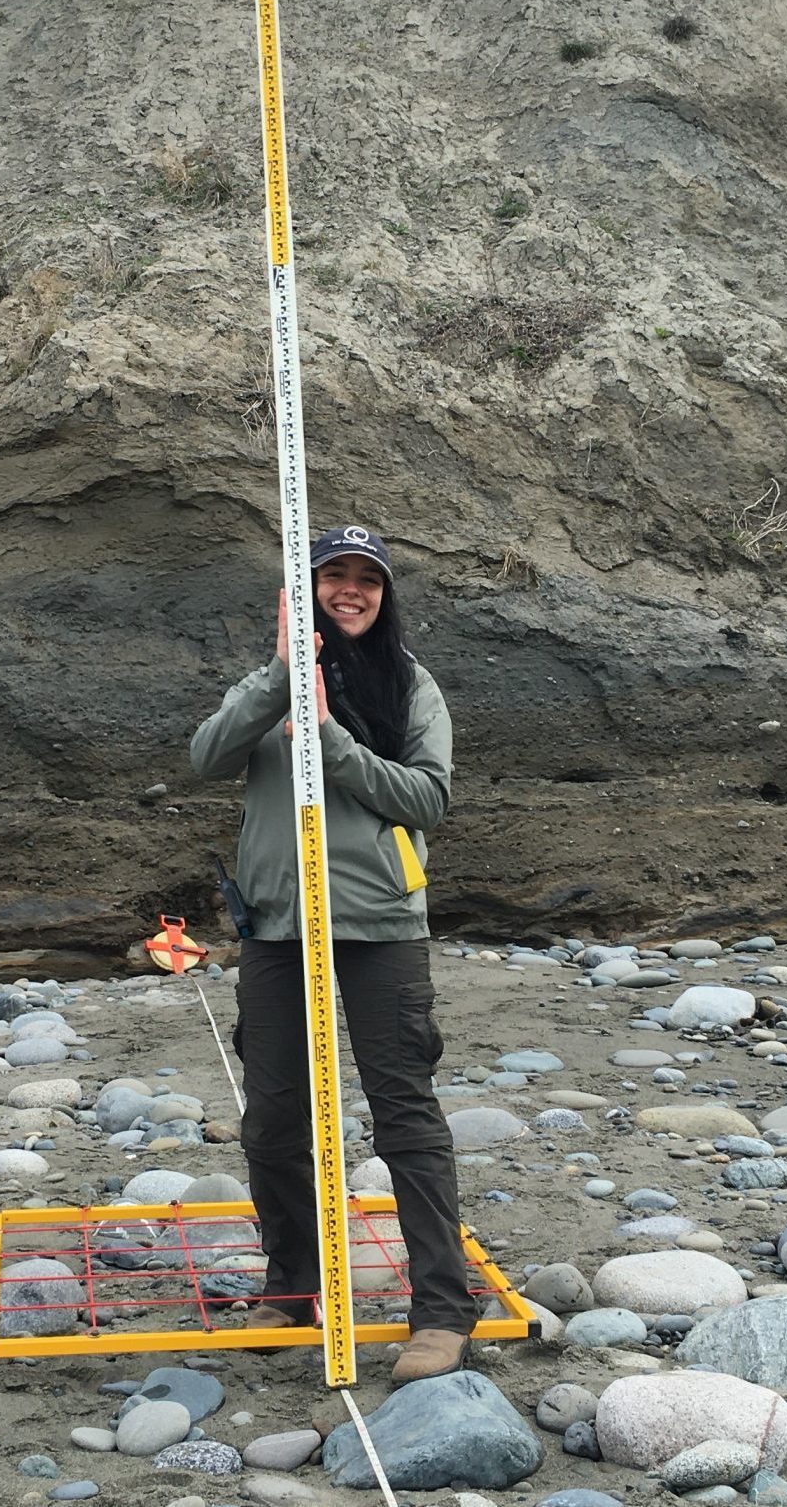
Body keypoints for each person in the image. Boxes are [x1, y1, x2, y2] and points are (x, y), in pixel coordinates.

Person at [190, 523, 476, 1384]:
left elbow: (428, 796)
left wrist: (331, 740)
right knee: (273, 1118)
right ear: (305, 589)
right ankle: (294, 1284)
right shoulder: (267, 682)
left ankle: (440, 1310)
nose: (350, 590)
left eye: (367, 580)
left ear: (384, 596)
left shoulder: (410, 683)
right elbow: (204, 756)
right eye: (334, 576)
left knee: (404, 1115)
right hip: (277, 929)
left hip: (381, 925)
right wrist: (283, 685)